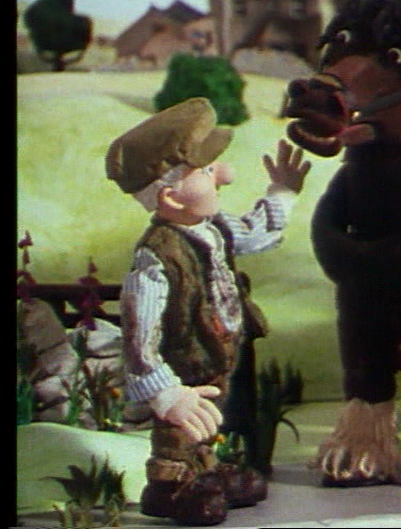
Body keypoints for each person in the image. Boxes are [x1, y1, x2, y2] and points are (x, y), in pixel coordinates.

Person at [105, 97, 311, 525]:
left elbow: (255, 232)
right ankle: (168, 486)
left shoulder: (213, 227)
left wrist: (283, 192)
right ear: (170, 197)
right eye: (206, 170)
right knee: (182, 425)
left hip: (218, 354)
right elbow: (139, 334)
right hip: (185, 362)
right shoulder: (155, 256)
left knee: (210, 421)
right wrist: (165, 392)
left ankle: (206, 470)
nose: (226, 175)